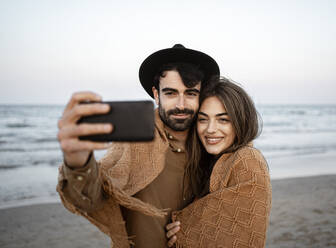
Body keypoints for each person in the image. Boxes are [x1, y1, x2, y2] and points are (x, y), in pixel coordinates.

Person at [56, 44, 219, 248]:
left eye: (191, 93)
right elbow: (93, 199)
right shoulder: (133, 145)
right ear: (157, 94)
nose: (181, 104)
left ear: (201, 95)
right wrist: (78, 161)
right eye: (170, 93)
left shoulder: (214, 145)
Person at [165, 77, 272, 248]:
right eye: (203, 119)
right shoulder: (205, 164)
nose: (210, 129)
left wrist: (181, 231)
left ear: (240, 121)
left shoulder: (248, 160)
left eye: (223, 119)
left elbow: (242, 237)